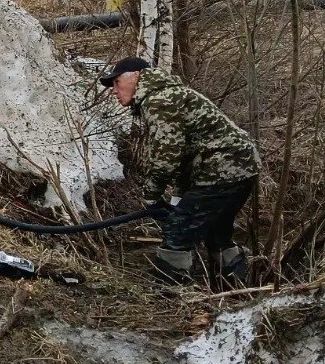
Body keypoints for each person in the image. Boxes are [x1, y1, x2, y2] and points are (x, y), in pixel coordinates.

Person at [100, 56, 261, 284]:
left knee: (178, 232)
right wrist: (177, 197)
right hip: (240, 168)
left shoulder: (158, 100)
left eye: (116, 83)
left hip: (222, 171)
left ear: (136, 76)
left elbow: (167, 157)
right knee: (216, 231)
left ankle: (172, 294)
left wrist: (151, 196)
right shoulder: (170, 94)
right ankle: (235, 285)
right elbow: (187, 154)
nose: (114, 91)